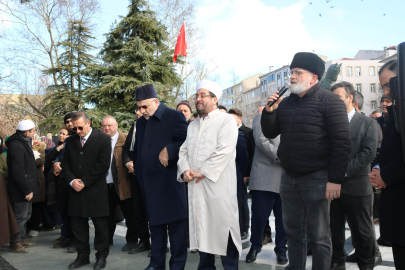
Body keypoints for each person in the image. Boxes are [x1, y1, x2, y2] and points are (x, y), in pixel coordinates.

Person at [261, 52, 352, 270]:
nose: (292, 76)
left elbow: (342, 143)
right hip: (289, 178)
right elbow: (271, 133)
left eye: (297, 72)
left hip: (318, 178)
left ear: (314, 77)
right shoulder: (285, 103)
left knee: (320, 235)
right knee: (293, 232)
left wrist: (335, 179)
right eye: (291, 72)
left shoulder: (330, 101)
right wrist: (269, 111)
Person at [178, 79, 242, 269]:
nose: (198, 99)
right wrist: (185, 170)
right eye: (197, 96)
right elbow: (183, 151)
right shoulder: (192, 126)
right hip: (197, 191)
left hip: (219, 189)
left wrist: (201, 172)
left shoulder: (227, 120)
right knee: (202, 230)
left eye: (202, 95)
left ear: (214, 99)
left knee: (224, 230)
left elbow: (224, 151)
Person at [133, 84, 188, 270]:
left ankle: (177, 266)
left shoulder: (174, 116)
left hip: (170, 185)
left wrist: (170, 150)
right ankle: (156, 265)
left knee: (177, 233)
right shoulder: (141, 122)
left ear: (156, 101)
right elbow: (139, 150)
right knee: (156, 230)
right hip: (149, 186)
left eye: (145, 106)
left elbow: (188, 143)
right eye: (138, 107)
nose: (141, 111)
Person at [330, 82, 378, 270]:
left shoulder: (368, 123)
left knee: (363, 232)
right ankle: (337, 262)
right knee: (334, 230)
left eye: (339, 97)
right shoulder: (329, 124)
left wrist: (341, 172)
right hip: (332, 188)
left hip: (358, 186)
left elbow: (368, 153)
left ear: (351, 98)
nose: (335, 101)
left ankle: (366, 264)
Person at [61, 111, 111, 270]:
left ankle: (101, 257)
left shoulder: (103, 139)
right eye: (74, 129)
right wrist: (71, 180)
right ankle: (82, 257)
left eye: (80, 128)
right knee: (78, 227)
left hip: (95, 190)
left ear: (88, 123)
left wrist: (84, 181)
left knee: (101, 228)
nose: (77, 131)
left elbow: (103, 165)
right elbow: (66, 164)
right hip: (75, 190)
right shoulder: (70, 142)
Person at [369, 59, 405, 268]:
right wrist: (378, 169)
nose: (386, 92)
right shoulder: (396, 111)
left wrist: (386, 176)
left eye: (387, 85)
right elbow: (390, 147)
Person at [246, 106, 288, 265]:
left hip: (286, 177)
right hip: (265, 176)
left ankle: (281, 249)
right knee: (259, 217)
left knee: (283, 218)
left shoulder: (289, 120)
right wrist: (282, 156)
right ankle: (255, 247)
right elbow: (261, 141)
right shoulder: (260, 117)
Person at [101, 115, 138, 252]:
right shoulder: (99, 140)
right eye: (104, 125)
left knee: (130, 215)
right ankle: (107, 240)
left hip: (124, 184)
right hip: (105, 185)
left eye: (109, 125)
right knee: (107, 216)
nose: (106, 128)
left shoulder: (126, 139)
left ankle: (132, 241)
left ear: (116, 125)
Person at [6, 119, 39, 252]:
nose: (34, 133)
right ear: (26, 133)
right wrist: (27, 190)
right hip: (22, 189)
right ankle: (16, 243)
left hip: (26, 187)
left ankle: (21, 238)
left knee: (26, 215)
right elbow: (18, 171)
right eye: (33, 131)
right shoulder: (17, 145)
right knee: (20, 216)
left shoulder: (22, 142)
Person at [122, 109, 151, 255]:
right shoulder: (134, 126)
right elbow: (126, 150)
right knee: (138, 210)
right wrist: (128, 163)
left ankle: (159, 244)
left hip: (149, 175)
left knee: (152, 210)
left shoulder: (152, 126)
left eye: (142, 109)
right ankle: (144, 241)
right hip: (134, 175)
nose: (139, 112)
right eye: (137, 110)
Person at [229, 108, 254, 240]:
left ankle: (245, 228)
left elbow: (249, 155)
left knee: (242, 202)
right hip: (231, 174)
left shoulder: (248, 132)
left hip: (242, 174)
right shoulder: (227, 132)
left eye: (233, 119)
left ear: (240, 119)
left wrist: (246, 173)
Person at [26, 136, 47, 237]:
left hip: (37, 181)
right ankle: (27, 227)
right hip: (26, 181)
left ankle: (34, 227)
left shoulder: (41, 148)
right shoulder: (24, 147)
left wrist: (28, 157)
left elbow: (39, 161)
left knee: (36, 206)